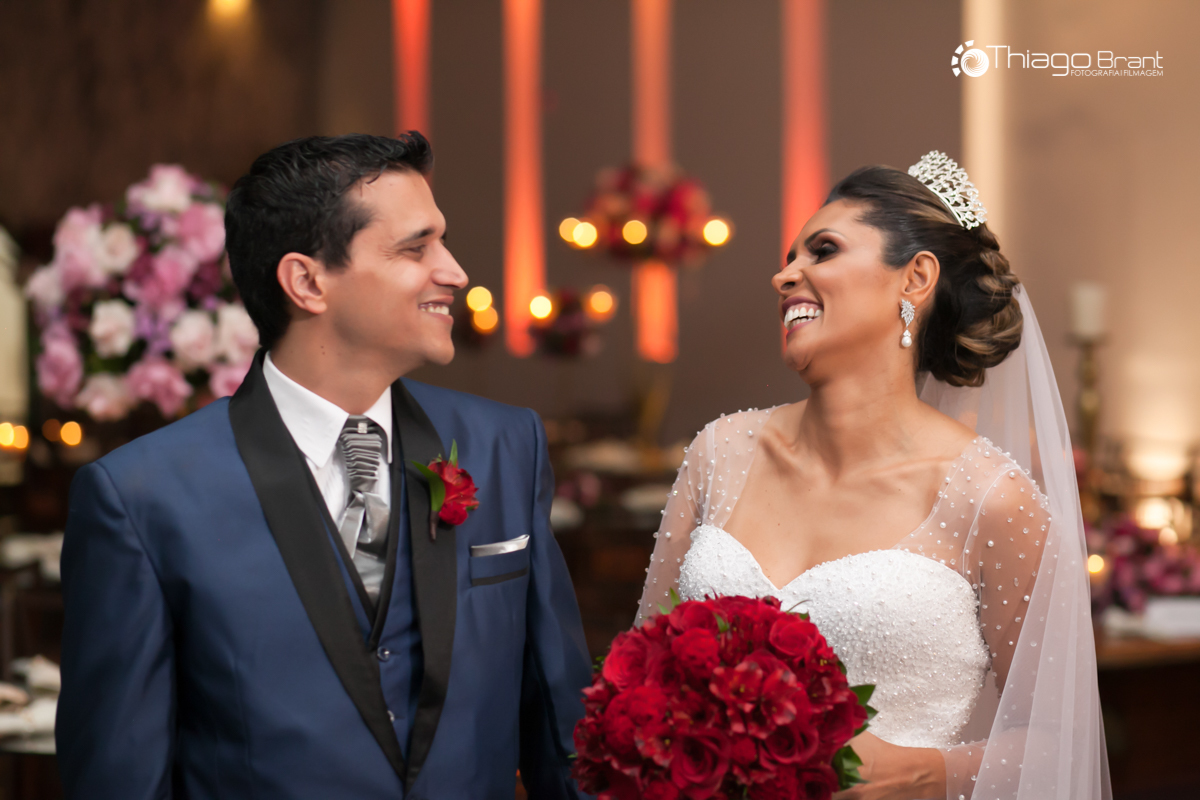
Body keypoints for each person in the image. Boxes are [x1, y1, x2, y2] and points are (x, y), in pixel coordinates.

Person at [57, 132, 593, 799]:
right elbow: (120, 779)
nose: (455, 272)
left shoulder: (508, 445)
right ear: (307, 282)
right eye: (416, 248)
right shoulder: (141, 498)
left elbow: (565, 738)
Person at [636, 152, 1110, 800]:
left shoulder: (989, 500)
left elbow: (1058, 739)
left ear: (915, 278)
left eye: (823, 250)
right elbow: (642, 673)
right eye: (790, 258)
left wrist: (927, 773)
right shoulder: (718, 453)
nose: (784, 275)